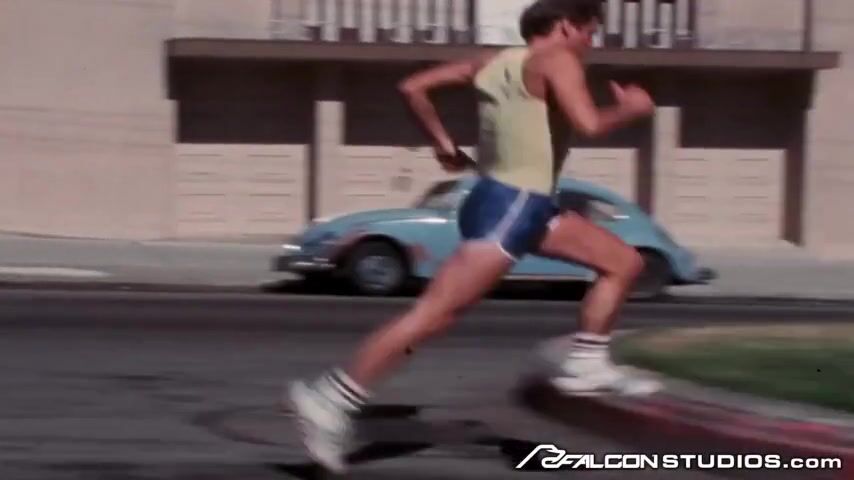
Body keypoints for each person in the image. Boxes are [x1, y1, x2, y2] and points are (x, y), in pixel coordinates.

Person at [286, 0, 660, 472]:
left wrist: (444, 145)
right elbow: (589, 123)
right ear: (567, 25)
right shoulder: (558, 59)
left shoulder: (493, 61)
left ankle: (586, 363)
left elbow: (413, 87)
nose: (591, 42)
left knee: (623, 262)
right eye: (590, 32)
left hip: (503, 200)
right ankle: (330, 398)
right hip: (516, 206)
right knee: (433, 315)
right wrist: (631, 109)